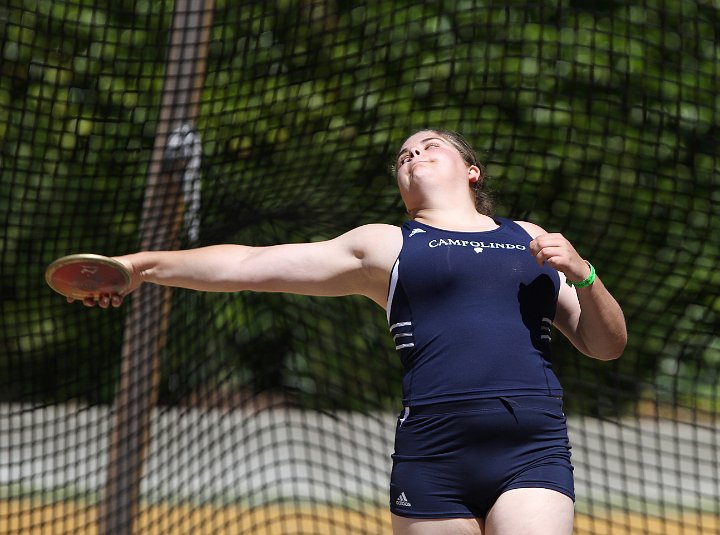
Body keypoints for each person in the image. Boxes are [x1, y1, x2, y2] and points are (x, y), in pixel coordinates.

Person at [73, 129, 627, 535]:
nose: (412, 155)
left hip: (529, 447)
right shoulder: (384, 244)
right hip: (434, 453)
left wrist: (588, 275)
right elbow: (246, 264)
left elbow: (607, 345)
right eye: (403, 155)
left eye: (429, 146)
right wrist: (140, 265)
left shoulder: (529, 238)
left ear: (471, 170)